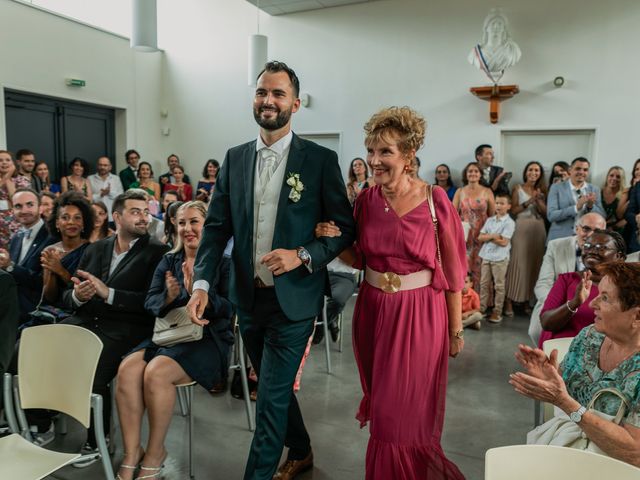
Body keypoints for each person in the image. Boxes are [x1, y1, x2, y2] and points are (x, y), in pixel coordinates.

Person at [186, 61, 354, 480]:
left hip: (294, 300)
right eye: (262, 92)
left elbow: (344, 229)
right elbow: (215, 228)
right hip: (248, 296)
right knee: (277, 392)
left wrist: (303, 253)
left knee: (269, 397)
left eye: (278, 94)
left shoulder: (319, 160)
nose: (268, 100)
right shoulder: (235, 158)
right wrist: (203, 282)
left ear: (295, 104)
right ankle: (301, 449)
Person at [339, 106, 466, 479]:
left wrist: (454, 331)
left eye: (385, 152)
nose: (374, 161)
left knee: (398, 416)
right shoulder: (366, 200)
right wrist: (330, 238)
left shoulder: (434, 199)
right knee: (383, 408)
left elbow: (455, 273)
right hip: (373, 311)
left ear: (409, 156)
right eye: (371, 151)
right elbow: (358, 258)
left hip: (420, 313)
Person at [115, 201, 232, 480]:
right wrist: (170, 296)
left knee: (155, 374)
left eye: (194, 222)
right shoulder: (168, 261)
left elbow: (230, 308)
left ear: (207, 225)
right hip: (167, 334)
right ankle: (133, 452)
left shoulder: (224, 263)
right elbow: (150, 302)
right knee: (127, 370)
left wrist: (198, 293)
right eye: (181, 223)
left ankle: (155, 454)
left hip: (206, 338)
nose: (187, 229)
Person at [60, 190, 169, 464]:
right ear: (117, 217)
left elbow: (152, 301)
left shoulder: (158, 253)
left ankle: (97, 442)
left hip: (128, 328)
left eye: (146, 211)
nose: (144, 217)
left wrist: (108, 293)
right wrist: (78, 296)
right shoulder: (96, 248)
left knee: (93, 371)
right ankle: (36, 422)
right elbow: (68, 294)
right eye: (135, 211)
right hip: (85, 321)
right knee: (37, 350)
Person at [511, 261, 640, 468]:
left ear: (637, 316)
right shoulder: (589, 337)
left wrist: (564, 403)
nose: (592, 304)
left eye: (605, 298)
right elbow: (566, 391)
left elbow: (635, 453)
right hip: (567, 452)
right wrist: (550, 379)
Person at [528, 212, 606, 345]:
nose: (591, 235)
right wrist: (561, 304)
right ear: (577, 229)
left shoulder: (607, 252)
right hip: (554, 302)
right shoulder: (556, 246)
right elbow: (543, 284)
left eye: (597, 231)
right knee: (535, 332)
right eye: (586, 229)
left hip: (590, 307)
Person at [538, 229, 626, 347]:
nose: (592, 251)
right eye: (587, 246)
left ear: (618, 256)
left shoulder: (626, 287)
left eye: (601, 248)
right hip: (562, 351)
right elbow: (546, 323)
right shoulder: (567, 279)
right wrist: (574, 303)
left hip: (604, 354)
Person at [0, 188, 54, 324]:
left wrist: (10, 266)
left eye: (30, 205)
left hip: (35, 312)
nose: (24, 210)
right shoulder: (16, 237)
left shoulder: (52, 237)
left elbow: (42, 282)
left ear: (40, 208)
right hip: (11, 306)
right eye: (18, 206)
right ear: (12, 211)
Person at [504, 161, 547, 316]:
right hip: (521, 228)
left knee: (533, 266)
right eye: (530, 169)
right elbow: (514, 210)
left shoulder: (543, 190)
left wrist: (539, 200)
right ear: (525, 172)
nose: (533, 172)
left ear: (540, 173)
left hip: (538, 229)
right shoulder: (517, 188)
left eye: (537, 170)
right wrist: (530, 201)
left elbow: (546, 214)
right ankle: (509, 301)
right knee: (517, 264)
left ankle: (527, 301)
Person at [453, 161, 496, 291]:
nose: (473, 173)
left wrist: (490, 236)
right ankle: (466, 302)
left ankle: (481, 302)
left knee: (482, 267)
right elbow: (452, 214)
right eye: (470, 171)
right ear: (466, 174)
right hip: (465, 236)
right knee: (465, 267)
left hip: (482, 235)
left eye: (476, 171)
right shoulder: (460, 191)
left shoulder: (487, 192)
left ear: (480, 175)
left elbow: (493, 215)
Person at [547, 157, 605, 243]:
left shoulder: (594, 189)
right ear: (570, 170)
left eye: (585, 170)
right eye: (578, 168)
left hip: (586, 240)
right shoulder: (556, 188)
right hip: (559, 239)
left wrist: (590, 207)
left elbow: (602, 216)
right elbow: (551, 216)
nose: (581, 172)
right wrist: (576, 208)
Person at [478, 192, 515, 323]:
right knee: (483, 284)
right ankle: (481, 309)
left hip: (500, 258)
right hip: (486, 256)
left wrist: (489, 236)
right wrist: (495, 236)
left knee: (499, 286)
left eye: (502, 203)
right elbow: (480, 237)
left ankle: (497, 311)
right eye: (497, 203)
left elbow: (505, 242)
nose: (498, 205)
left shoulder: (509, 223)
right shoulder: (490, 220)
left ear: (508, 206)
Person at [468, 8, 521, 83]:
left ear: (504, 28)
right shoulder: (475, 53)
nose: (496, 27)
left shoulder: (512, 49)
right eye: (493, 24)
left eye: (500, 24)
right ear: (486, 28)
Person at [0, 150, 31, 249]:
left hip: (15, 225)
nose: (4, 162)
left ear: (13, 163)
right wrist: (6, 177)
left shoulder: (22, 180)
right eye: (0, 160)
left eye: (8, 160)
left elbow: (16, 200)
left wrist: (8, 178)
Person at [89, 156, 124, 222]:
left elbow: (121, 197)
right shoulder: (90, 179)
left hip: (112, 217)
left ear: (110, 167)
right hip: (95, 217)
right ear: (97, 166)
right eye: (100, 165)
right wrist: (101, 195)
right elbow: (88, 198)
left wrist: (109, 192)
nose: (102, 167)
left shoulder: (116, 179)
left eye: (105, 165)